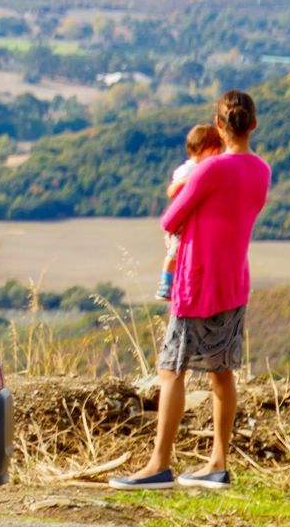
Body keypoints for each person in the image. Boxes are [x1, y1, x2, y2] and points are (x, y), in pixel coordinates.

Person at [111, 90, 271, 491]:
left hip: (196, 280)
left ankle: (158, 465)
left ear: (218, 124)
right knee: (222, 373)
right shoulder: (261, 171)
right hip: (233, 281)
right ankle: (217, 464)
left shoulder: (209, 170)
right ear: (253, 125)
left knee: (171, 370)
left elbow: (170, 220)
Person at [157, 124, 224, 301]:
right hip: (182, 222)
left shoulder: (203, 168)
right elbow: (174, 191)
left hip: (194, 221)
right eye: (216, 150)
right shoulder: (188, 170)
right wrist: (193, 180)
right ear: (206, 149)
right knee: (175, 252)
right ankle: (165, 284)